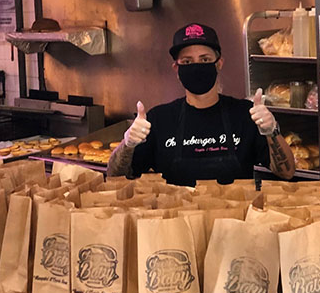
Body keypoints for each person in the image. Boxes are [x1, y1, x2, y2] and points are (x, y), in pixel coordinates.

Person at [108, 23, 296, 186]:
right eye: (187, 61)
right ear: (176, 68)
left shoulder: (245, 115)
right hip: (174, 223)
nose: (197, 67)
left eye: (205, 59)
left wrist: (272, 131)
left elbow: (286, 172)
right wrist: (128, 144)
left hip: (234, 223)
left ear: (219, 63)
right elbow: (114, 177)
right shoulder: (159, 119)